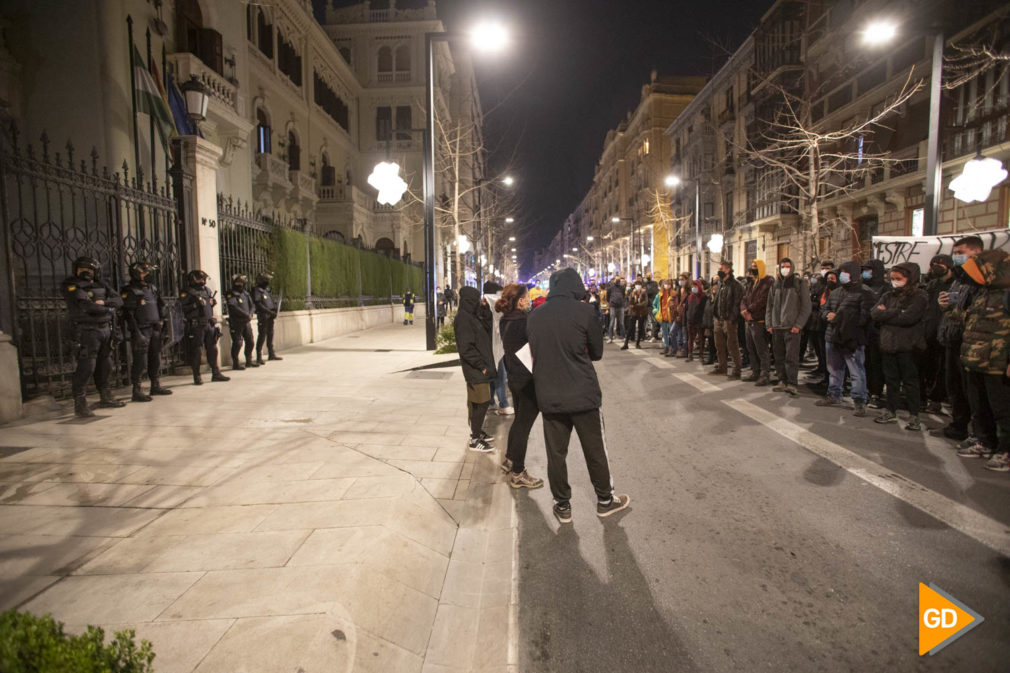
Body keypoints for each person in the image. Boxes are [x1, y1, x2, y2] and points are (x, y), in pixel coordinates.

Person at [527, 268, 630, 523]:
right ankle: (605, 500)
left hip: (550, 395)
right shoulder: (585, 311)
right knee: (595, 450)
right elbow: (596, 352)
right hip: (583, 395)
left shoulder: (535, 315)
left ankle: (563, 506)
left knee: (556, 455)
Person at [955, 247, 1010, 471]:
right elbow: (973, 321)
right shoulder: (984, 292)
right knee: (980, 406)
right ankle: (985, 442)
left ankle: (1005, 450)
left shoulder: (1007, 293)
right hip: (976, 361)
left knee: (1003, 410)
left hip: (997, 364)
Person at [61, 256, 126, 417]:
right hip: (86, 330)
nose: (86, 272)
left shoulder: (102, 284)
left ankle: (105, 396)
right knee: (86, 366)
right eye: (82, 269)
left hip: (105, 329)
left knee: (106, 364)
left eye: (89, 269)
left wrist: (104, 305)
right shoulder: (71, 285)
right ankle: (80, 402)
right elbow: (87, 306)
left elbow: (119, 300)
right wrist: (108, 308)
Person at [496, 283, 545, 489]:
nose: (530, 300)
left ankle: (510, 459)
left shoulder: (505, 320)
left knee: (519, 421)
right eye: (527, 297)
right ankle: (518, 472)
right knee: (524, 425)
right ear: (521, 300)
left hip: (514, 378)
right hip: (527, 380)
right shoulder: (526, 321)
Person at [869, 263, 928, 430]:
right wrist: (896, 312)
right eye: (892, 279)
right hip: (888, 344)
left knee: (910, 383)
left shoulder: (919, 296)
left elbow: (909, 318)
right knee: (891, 381)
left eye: (898, 279)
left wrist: (886, 313)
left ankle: (914, 416)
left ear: (910, 278)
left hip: (908, 346)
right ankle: (891, 411)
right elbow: (874, 313)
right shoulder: (888, 295)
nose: (895, 282)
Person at [937, 241, 984, 442]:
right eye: (955, 252)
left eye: (961, 252)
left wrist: (952, 311)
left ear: (976, 252)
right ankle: (958, 425)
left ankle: (979, 433)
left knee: (971, 391)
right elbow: (954, 309)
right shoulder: (958, 279)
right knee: (954, 387)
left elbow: (972, 314)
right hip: (951, 338)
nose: (957, 256)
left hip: (969, 342)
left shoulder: (980, 281)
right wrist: (945, 305)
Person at [817, 261, 873, 415]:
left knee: (856, 371)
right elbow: (824, 309)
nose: (841, 275)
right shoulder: (836, 292)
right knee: (834, 369)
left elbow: (865, 318)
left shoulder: (865, 292)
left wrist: (839, 318)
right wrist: (827, 315)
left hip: (852, 338)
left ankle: (859, 400)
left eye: (844, 272)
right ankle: (834, 394)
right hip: (832, 336)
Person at [121, 260, 172, 402]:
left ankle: (155, 385)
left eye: (148, 273)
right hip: (141, 330)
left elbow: (161, 305)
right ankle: (136, 390)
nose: (147, 275)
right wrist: (136, 333)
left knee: (155, 359)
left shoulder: (152, 288)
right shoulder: (130, 290)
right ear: (136, 274)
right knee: (140, 361)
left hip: (155, 328)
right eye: (144, 273)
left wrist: (164, 324)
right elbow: (128, 314)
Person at [455, 286, 497, 452]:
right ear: (469, 301)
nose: (478, 303)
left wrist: (485, 309)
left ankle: (477, 431)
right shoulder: (463, 319)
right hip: (475, 369)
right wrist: (482, 367)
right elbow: (466, 348)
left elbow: (488, 327)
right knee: (481, 402)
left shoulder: (472, 315)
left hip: (480, 366)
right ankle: (474, 439)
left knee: (479, 401)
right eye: (476, 300)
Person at [765, 258, 811, 396]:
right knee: (779, 357)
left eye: (787, 266)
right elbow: (770, 306)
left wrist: (799, 324)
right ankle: (782, 380)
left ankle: (792, 383)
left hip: (791, 327)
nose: (785, 269)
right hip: (777, 327)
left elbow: (806, 307)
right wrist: (769, 323)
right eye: (783, 266)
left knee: (791, 357)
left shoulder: (799, 283)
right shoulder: (775, 284)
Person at [180, 269, 230, 385]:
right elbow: (181, 308)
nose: (202, 281)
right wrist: (194, 305)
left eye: (203, 279)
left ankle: (216, 373)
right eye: (199, 279)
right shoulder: (187, 292)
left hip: (209, 323)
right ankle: (197, 376)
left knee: (213, 349)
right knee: (196, 351)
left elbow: (208, 305)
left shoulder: (207, 290)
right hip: (196, 325)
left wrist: (211, 303)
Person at [920, 255, 952, 414]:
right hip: (930, 331)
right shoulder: (932, 285)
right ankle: (931, 398)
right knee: (930, 367)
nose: (935, 266)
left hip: (946, 333)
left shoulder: (955, 285)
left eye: (939, 264)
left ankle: (938, 398)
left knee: (943, 369)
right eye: (933, 264)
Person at [741, 259, 774, 385]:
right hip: (749, 321)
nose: (752, 268)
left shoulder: (768, 282)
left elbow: (763, 300)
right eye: (752, 266)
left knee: (762, 349)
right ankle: (755, 372)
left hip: (759, 320)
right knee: (751, 348)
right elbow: (744, 298)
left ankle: (764, 374)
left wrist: (749, 310)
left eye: (755, 266)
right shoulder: (752, 283)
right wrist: (744, 310)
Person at [711, 260, 744, 378]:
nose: (720, 270)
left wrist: (732, 318)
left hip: (729, 320)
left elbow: (737, 303)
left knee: (732, 345)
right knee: (719, 345)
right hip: (718, 319)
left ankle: (737, 370)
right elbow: (718, 300)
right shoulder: (721, 284)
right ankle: (722, 367)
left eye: (722, 268)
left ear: (728, 270)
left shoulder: (736, 285)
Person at [861, 259, 888, 408]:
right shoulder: (862, 287)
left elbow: (882, 310)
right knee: (864, 363)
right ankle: (865, 390)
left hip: (878, 332)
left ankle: (876, 392)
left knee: (876, 363)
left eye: (868, 269)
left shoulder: (885, 288)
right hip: (863, 330)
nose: (865, 272)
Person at [225, 273, 259, 371]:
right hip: (236, 322)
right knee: (238, 342)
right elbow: (233, 306)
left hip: (246, 322)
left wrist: (251, 313)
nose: (240, 284)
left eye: (241, 283)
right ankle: (236, 363)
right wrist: (245, 314)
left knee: (250, 341)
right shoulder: (230, 293)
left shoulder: (245, 293)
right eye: (238, 282)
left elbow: (252, 305)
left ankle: (249, 360)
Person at [252, 271, 282, 364]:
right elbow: (258, 304)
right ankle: (259, 356)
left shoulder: (265, 290)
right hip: (263, 316)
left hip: (270, 316)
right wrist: (269, 312)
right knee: (262, 335)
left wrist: (273, 310)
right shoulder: (257, 290)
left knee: (270, 334)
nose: (268, 282)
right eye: (266, 280)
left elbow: (269, 302)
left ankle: (271, 353)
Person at [621, 281, 649, 350]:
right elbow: (630, 301)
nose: (638, 286)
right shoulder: (633, 293)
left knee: (640, 328)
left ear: (641, 286)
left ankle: (638, 343)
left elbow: (645, 303)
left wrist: (636, 306)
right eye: (636, 285)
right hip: (633, 313)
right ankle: (626, 344)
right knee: (630, 328)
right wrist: (633, 298)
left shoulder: (644, 293)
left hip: (641, 312)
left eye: (639, 285)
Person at [685, 279, 707, 362]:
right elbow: (687, 309)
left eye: (695, 286)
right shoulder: (690, 296)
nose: (694, 288)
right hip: (690, 320)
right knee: (690, 338)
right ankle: (690, 355)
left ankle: (701, 355)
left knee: (701, 338)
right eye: (692, 286)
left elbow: (704, 310)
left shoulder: (703, 297)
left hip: (699, 321)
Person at [655, 278, 676, 356]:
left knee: (671, 333)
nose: (667, 285)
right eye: (665, 283)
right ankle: (666, 347)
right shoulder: (660, 294)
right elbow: (654, 304)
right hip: (662, 316)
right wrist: (656, 312)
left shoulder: (673, 293)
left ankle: (672, 347)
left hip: (670, 316)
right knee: (664, 333)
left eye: (668, 283)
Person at [606, 277, 626, 342]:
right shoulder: (610, 288)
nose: (618, 281)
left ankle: (623, 336)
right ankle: (610, 337)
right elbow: (607, 297)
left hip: (620, 306)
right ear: (614, 280)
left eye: (618, 280)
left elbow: (623, 295)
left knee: (621, 322)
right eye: (616, 279)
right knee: (612, 322)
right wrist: (611, 302)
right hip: (613, 306)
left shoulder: (622, 287)